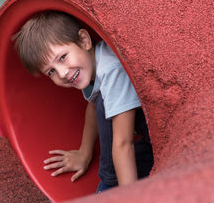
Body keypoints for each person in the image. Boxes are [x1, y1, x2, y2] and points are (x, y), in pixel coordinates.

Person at [13, 11, 153, 192]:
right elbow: (92, 107)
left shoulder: (111, 69)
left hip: (157, 135)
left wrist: (128, 198)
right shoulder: (89, 67)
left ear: (84, 40)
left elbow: (123, 143)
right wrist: (84, 153)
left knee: (105, 105)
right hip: (150, 140)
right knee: (101, 103)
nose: (62, 73)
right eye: (51, 72)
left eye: (62, 57)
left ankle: (111, 185)